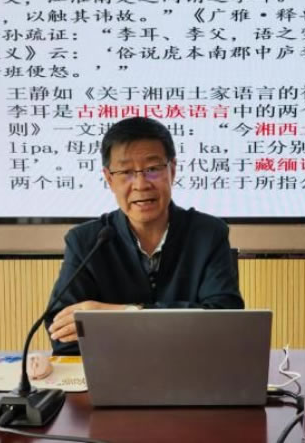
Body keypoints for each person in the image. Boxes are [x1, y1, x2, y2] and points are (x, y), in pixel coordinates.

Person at [45, 117, 244, 355]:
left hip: (193, 368)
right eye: (126, 172)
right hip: (112, 372)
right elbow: (62, 335)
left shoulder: (208, 234)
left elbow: (225, 321)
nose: (141, 184)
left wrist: (120, 315)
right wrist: (176, 324)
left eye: (152, 169)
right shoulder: (86, 242)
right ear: (109, 179)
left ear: (172, 170)